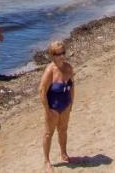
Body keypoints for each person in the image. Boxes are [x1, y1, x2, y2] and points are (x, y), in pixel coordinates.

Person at [39, 40, 75, 172]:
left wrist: (71, 103)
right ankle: (47, 160)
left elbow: (72, 85)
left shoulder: (68, 67)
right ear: (52, 55)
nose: (61, 56)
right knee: (48, 134)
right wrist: (47, 110)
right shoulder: (50, 70)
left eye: (63, 53)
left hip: (65, 104)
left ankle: (63, 153)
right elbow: (42, 92)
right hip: (53, 107)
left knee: (63, 130)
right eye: (58, 54)